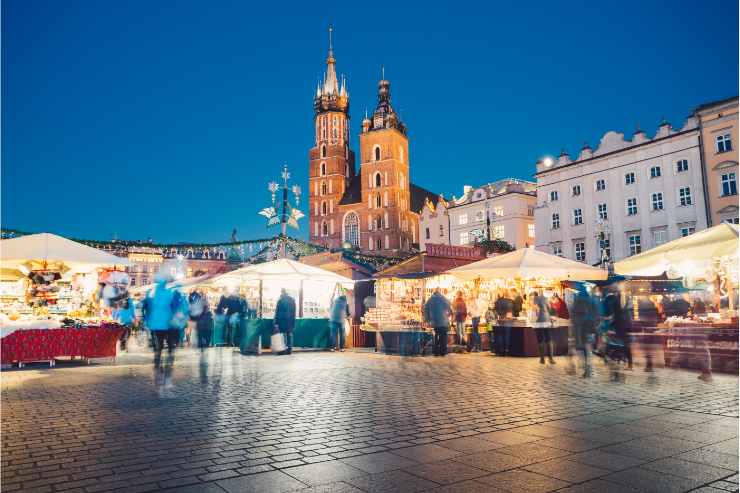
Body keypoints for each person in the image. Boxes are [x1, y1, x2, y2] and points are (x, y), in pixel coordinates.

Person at [141, 274, 180, 396]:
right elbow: (178, 308)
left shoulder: (152, 292)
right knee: (169, 352)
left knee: (159, 351)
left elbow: (145, 308)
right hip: (168, 325)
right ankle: (165, 379)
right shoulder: (171, 292)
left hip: (158, 326)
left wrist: (147, 322)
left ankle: (159, 378)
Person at [570, 287, 598, 377]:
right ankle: (588, 368)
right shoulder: (591, 301)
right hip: (590, 328)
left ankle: (585, 368)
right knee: (587, 347)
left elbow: (573, 315)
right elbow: (596, 314)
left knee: (581, 348)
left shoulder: (578, 301)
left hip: (581, 328)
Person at [424, 289, 452, 356]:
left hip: (435, 321)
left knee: (436, 336)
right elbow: (449, 305)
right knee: (443, 337)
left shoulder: (430, 299)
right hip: (443, 321)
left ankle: (436, 352)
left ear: (434, 293)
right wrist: (448, 313)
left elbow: (425, 308)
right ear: (439, 293)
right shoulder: (443, 298)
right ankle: (443, 352)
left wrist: (427, 319)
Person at [532, 290, 555, 364]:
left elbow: (535, 310)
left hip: (539, 322)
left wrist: (533, 320)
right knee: (549, 339)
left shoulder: (535, 299)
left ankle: (542, 359)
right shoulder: (546, 298)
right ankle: (551, 359)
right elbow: (549, 308)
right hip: (547, 320)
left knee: (540, 339)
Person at [274, 289, 297, 355]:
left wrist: (276, 322)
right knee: (289, 334)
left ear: (282, 292)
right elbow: (294, 312)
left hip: (282, 320)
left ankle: (282, 350)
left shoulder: (280, 300)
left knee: (282, 335)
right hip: (290, 320)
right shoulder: (292, 300)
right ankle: (289, 350)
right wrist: (293, 320)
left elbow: (277, 312)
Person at [493, 290, 514, 355]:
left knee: (500, 335)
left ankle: (500, 351)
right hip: (508, 320)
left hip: (500, 320)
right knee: (507, 335)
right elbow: (512, 312)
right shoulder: (511, 302)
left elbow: (495, 310)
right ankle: (506, 350)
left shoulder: (497, 302)